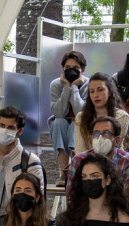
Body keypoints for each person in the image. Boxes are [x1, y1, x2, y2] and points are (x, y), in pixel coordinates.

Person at [0, 105, 45, 218]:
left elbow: (39, 197)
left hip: (16, 219)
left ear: (19, 131)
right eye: (2, 125)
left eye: (11, 127)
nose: (5, 130)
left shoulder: (30, 161)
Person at [66, 116, 129, 212]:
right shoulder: (79, 160)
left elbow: (126, 201)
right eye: (96, 134)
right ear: (90, 139)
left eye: (106, 133)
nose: (100, 138)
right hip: (84, 215)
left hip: (120, 217)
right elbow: (72, 197)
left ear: (117, 140)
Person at [49, 50, 89, 185]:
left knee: (74, 125)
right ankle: (64, 172)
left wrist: (75, 88)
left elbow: (80, 113)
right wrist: (67, 87)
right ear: (62, 69)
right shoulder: (56, 84)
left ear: (83, 70)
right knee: (59, 122)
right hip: (61, 123)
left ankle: (75, 170)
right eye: (67, 68)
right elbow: (58, 113)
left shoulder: (89, 84)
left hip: (82, 123)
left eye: (76, 68)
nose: (71, 71)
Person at [74, 72, 129, 154]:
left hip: (113, 161)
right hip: (87, 161)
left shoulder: (122, 116)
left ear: (110, 92)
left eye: (100, 90)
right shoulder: (81, 117)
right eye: (92, 91)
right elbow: (80, 150)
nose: (96, 95)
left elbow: (112, 148)